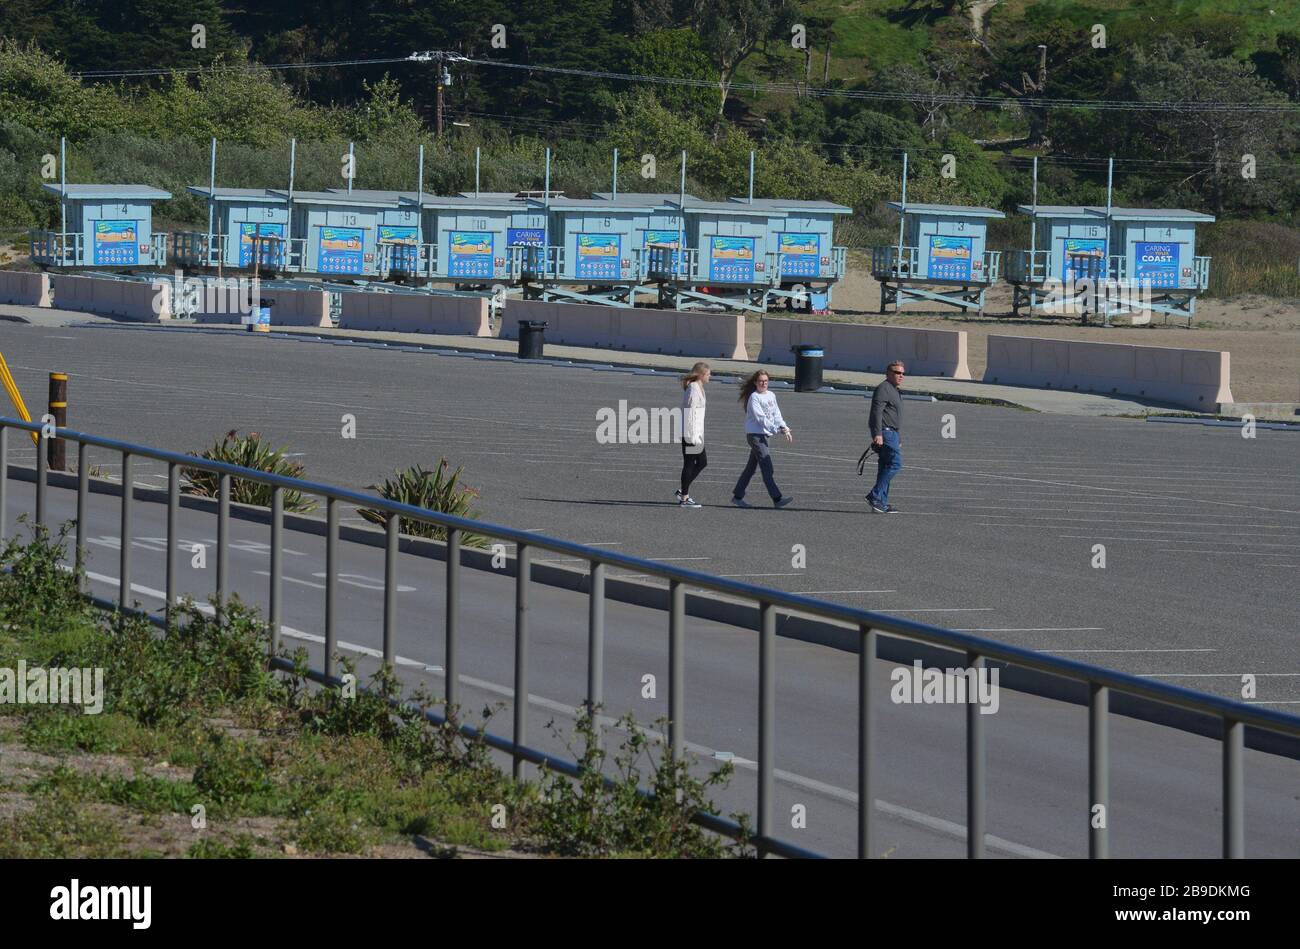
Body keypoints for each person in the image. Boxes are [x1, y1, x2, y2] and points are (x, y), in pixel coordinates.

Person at [732, 370, 794, 509]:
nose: (763, 383)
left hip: (765, 435)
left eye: (766, 381)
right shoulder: (754, 397)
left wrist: (784, 426)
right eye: (760, 381)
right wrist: (776, 430)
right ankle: (777, 498)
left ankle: (738, 496)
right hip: (755, 435)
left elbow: (776, 414)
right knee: (767, 467)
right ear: (755, 382)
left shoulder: (771, 395)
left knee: (751, 468)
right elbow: (761, 418)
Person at [866, 360, 905, 513]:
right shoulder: (883, 389)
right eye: (897, 372)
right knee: (895, 464)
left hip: (892, 433)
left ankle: (881, 502)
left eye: (902, 373)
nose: (900, 375)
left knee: (885, 466)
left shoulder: (894, 390)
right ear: (888, 373)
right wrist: (877, 434)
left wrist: (899, 437)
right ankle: (874, 495)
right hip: (885, 433)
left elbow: (893, 416)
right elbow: (876, 413)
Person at [676, 362, 710, 508]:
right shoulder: (693, 389)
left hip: (696, 433)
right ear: (701, 375)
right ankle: (684, 498)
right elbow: (689, 413)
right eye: (708, 374)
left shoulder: (699, 387)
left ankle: (683, 491)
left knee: (702, 462)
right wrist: (692, 435)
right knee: (690, 464)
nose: (710, 377)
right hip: (691, 433)